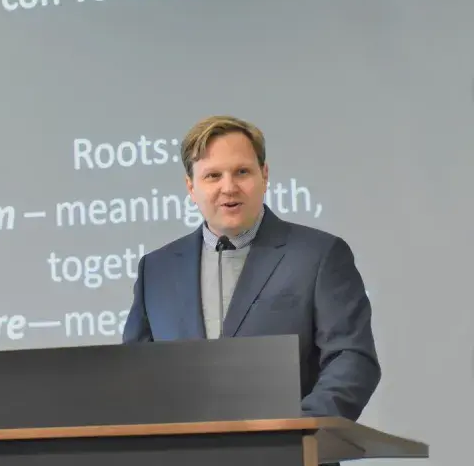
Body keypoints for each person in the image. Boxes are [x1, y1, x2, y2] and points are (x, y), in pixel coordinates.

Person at [122, 115, 381, 422]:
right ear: (191, 187)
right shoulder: (156, 269)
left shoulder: (320, 255)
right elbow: (135, 373)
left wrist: (295, 430)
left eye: (241, 172)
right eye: (213, 176)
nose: (228, 187)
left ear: (264, 175)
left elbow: (352, 359)